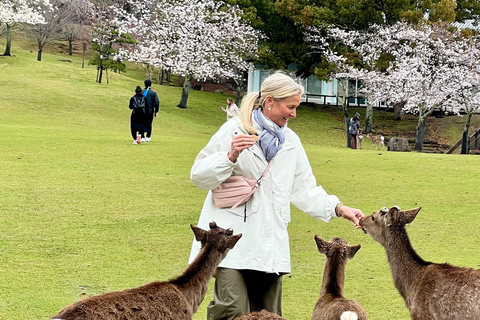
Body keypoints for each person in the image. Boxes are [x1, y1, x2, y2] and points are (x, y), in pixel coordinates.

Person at [188, 72, 364, 319]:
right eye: (290, 107)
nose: (294, 114)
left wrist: (338, 208)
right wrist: (229, 157)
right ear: (269, 101)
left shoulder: (291, 141)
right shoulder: (234, 130)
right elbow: (198, 176)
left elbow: (304, 188)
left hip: (270, 246)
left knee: (269, 315)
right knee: (231, 310)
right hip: (233, 244)